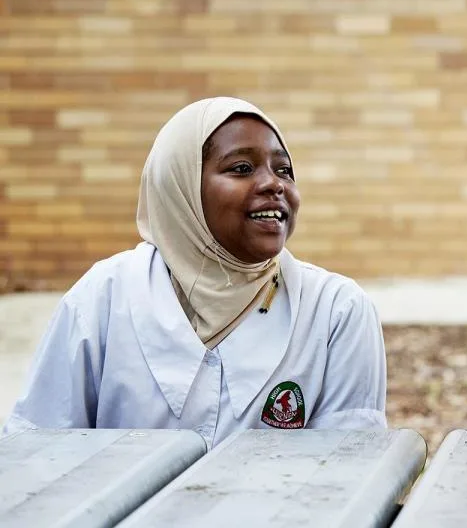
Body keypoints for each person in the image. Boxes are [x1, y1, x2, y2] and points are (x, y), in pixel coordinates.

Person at [4, 97, 387, 447]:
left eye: (284, 170)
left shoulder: (336, 310)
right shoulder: (105, 296)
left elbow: (345, 472)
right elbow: (39, 453)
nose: (274, 183)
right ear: (180, 186)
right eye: (241, 168)